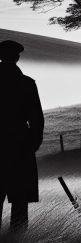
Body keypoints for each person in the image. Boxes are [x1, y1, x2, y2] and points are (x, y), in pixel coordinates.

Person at [0, 40, 44, 232]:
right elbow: (36, 119)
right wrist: (31, 144)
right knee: (20, 203)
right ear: (16, 57)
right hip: (20, 146)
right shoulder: (26, 83)